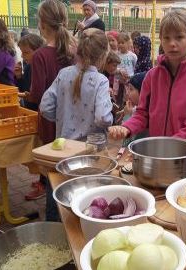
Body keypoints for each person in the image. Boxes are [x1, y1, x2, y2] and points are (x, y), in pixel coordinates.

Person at [108, 10, 186, 153]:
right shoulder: (152, 76)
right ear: (161, 40)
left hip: (184, 157)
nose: (172, 44)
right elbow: (142, 114)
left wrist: (167, 147)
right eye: (166, 38)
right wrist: (127, 127)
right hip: (157, 154)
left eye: (179, 37)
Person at [26, 0, 75, 217]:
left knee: (52, 171)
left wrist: (25, 93)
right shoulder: (74, 51)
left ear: (42, 23)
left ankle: (54, 217)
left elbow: (37, 95)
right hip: (72, 118)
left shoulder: (40, 56)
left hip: (50, 120)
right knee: (70, 167)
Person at [40, 28, 113, 141]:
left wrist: (64, 118)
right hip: (90, 150)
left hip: (64, 145)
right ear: (103, 56)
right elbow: (102, 118)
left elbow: (45, 107)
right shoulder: (101, 81)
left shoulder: (64, 73)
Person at [15, 33, 44, 111]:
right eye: (22, 52)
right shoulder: (28, 68)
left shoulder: (44, 68)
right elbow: (24, 89)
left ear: (39, 51)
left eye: (26, 52)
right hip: (30, 109)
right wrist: (19, 76)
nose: (22, 56)